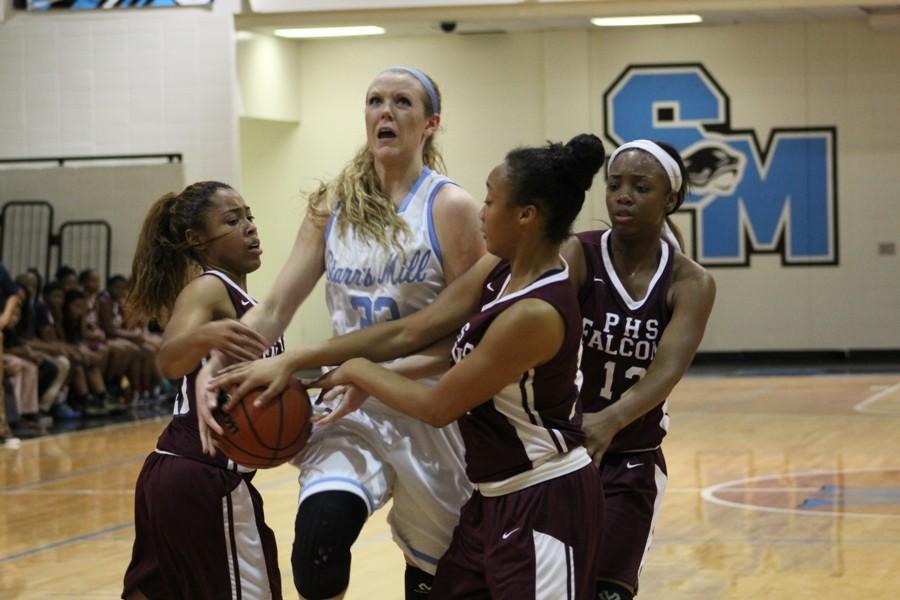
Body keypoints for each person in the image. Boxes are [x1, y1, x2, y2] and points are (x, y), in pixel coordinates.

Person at [213, 134, 608, 599]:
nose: (481, 211)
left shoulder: (534, 312)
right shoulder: (498, 270)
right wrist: (301, 357)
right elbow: (411, 331)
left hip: (542, 498)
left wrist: (358, 372)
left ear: (526, 215)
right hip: (492, 499)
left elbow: (439, 405)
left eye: (490, 200)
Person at [199, 66, 485, 600]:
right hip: (351, 411)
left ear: (430, 124)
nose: (386, 111)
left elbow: (468, 339)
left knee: (437, 578)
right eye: (376, 100)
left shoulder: (451, 208)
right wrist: (213, 367)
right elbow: (277, 306)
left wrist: (378, 376)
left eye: (403, 102)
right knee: (317, 545)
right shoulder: (332, 207)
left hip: (432, 407)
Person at [561, 139, 716, 600]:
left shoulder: (691, 282)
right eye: (614, 185)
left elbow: (666, 370)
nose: (622, 195)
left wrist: (609, 421)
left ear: (670, 198)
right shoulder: (578, 253)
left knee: (609, 592)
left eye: (640, 186)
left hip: (633, 457)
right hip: (563, 450)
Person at [120, 181, 282, 600]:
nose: (249, 227)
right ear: (196, 240)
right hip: (206, 477)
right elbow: (170, 358)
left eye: (249, 216)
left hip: (172, 474)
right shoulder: (209, 288)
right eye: (233, 220)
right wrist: (205, 332)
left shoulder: (245, 298)